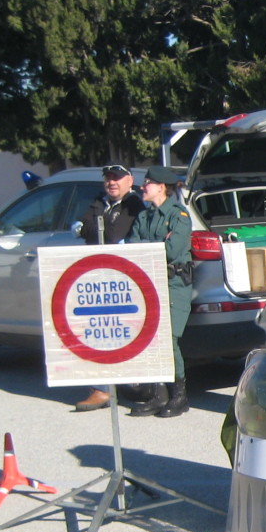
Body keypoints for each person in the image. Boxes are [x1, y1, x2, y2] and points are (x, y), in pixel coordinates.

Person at [73, 164, 144, 412]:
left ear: (129, 180)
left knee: (119, 332)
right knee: (98, 331)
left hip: (123, 280)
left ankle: (115, 387)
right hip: (97, 277)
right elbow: (83, 228)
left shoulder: (134, 204)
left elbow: (113, 234)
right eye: (108, 178)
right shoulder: (99, 201)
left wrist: (94, 228)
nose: (111, 182)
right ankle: (102, 389)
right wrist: (94, 228)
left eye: (117, 178)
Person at [130, 166, 194, 418]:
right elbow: (133, 247)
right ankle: (159, 394)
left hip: (174, 283)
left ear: (161, 187)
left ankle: (179, 396)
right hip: (150, 283)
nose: (142, 187)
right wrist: (157, 244)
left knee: (169, 338)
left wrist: (151, 247)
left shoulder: (179, 215)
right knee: (152, 338)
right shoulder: (144, 216)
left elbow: (172, 250)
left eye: (147, 182)